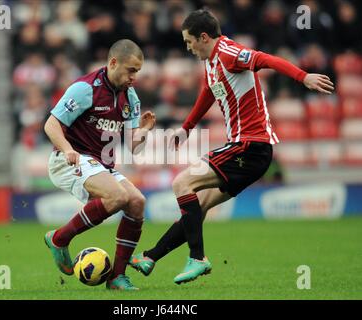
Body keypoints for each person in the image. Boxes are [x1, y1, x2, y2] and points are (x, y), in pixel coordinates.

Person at [129, 9, 334, 285]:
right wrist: (187, 129)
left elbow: (265, 59)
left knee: (181, 184)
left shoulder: (229, 53)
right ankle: (151, 256)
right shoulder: (211, 62)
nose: (188, 48)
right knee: (197, 205)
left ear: (203, 37)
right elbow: (209, 92)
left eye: (189, 42)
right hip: (249, 150)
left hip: (250, 146)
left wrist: (303, 77)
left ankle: (198, 259)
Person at [44, 39, 156, 290]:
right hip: (69, 159)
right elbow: (51, 125)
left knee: (137, 201)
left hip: (99, 164)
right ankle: (59, 239)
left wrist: (145, 130)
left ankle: (116, 277)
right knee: (117, 196)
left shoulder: (131, 96)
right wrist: (68, 149)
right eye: (131, 70)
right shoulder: (85, 89)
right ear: (113, 62)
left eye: (137, 71)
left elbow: (133, 145)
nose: (134, 77)